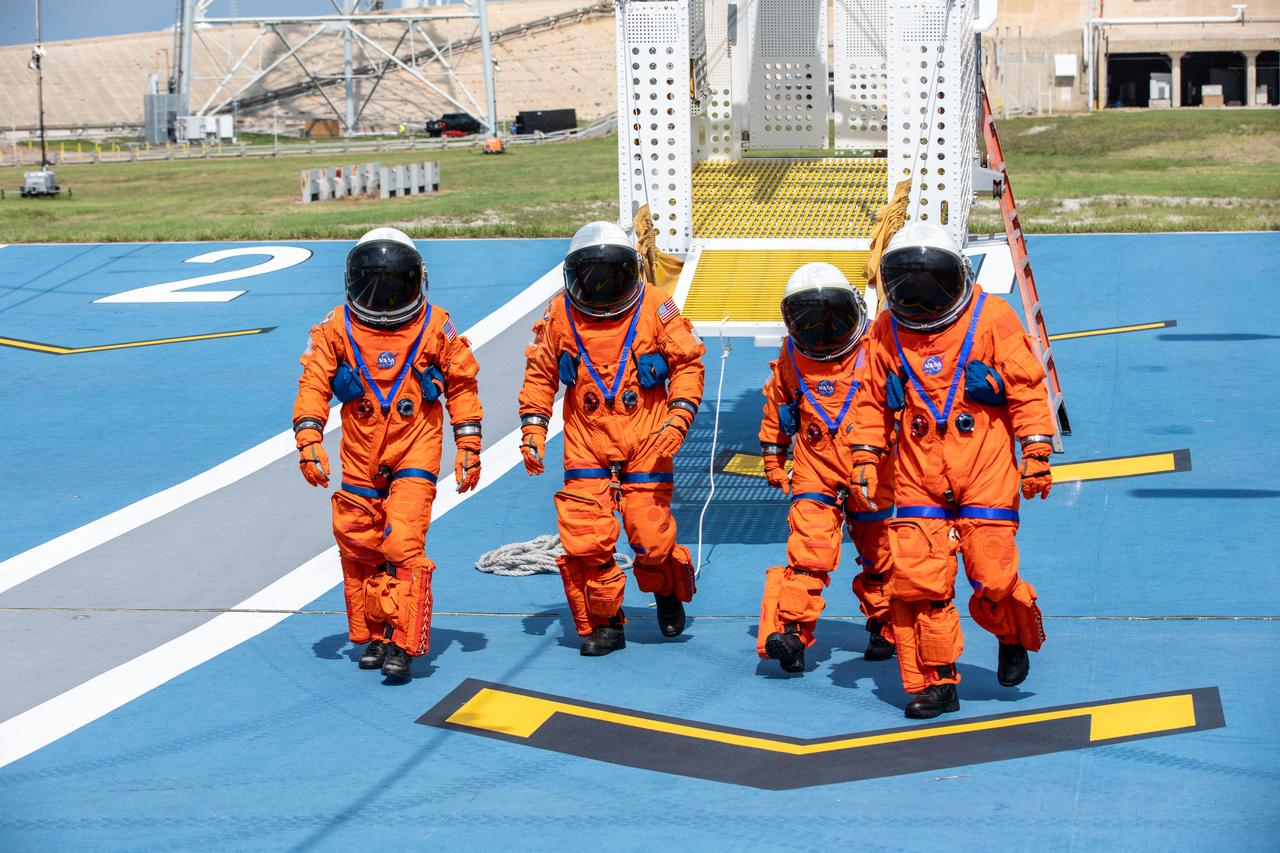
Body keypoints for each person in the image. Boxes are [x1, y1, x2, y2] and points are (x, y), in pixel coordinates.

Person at [845, 222, 1053, 719]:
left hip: (983, 463)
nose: (918, 297)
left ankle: (1010, 632)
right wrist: (865, 457)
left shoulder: (992, 318)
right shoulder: (885, 330)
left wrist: (1036, 453)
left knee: (993, 576)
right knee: (918, 583)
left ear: (957, 274)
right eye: (906, 286)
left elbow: (1026, 387)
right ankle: (935, 683)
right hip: (918, 469)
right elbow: (870, 401)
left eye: (929, 283)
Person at [292, 227, 483, 682]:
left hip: (414, 443)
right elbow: (313, 382)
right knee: (360, 545)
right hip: (360, 450)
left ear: (417, 281)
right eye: (371, 286)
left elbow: (462, 385)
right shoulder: (335, 327)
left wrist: (469, 446)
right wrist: (309, 439)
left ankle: (404, 643)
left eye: (394, 286)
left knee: (401, 544)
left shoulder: (438, 325)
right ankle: (377, 634)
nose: (382, 298)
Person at [518, 221, 706, 656]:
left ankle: (666, 590)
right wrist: (533, 427)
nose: (600, 287)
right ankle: (606, 622)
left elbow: (689, 364)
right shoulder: (559, 312)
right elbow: (540, 372)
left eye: (610, 274)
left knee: (651, 537)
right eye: (591, 275)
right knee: (585, 539)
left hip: (647, 438)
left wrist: (678, 419)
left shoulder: (657, 307)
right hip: (588, 439)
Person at [756, 263, 897, 674]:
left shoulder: (877, 346)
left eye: (832, 317)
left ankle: (885, 626)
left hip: (874, 468)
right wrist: (773, 455)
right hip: (815, 467)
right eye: (811, 322)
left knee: (882, 556)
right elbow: (778, 405)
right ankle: (793, 634)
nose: (823, 330)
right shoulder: (792, 354)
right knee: (807, 553)